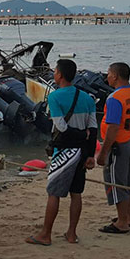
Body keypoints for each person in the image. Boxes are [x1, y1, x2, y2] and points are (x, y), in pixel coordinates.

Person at [26, 59, 97, 246]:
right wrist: (90, 154)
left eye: (56, 71)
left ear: (61, 75)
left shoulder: (55, 97)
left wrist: (80, 135)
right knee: (76, 193)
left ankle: (46, 234)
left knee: (54, 193)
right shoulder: (87, 98)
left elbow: (61, 127)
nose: (54, 74)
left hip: (64, 151)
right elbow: (93, 129)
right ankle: (72, 234)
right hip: (82, 152)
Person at [96, 62, 130, 233]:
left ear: (115, 76)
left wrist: (103, 152)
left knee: (116, 182)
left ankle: (122, 222)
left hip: (118, 145)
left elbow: (112, 127)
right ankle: (128, 216)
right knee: (127, 181)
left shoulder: (115, 98)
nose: (107, 77)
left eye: (109, 74)